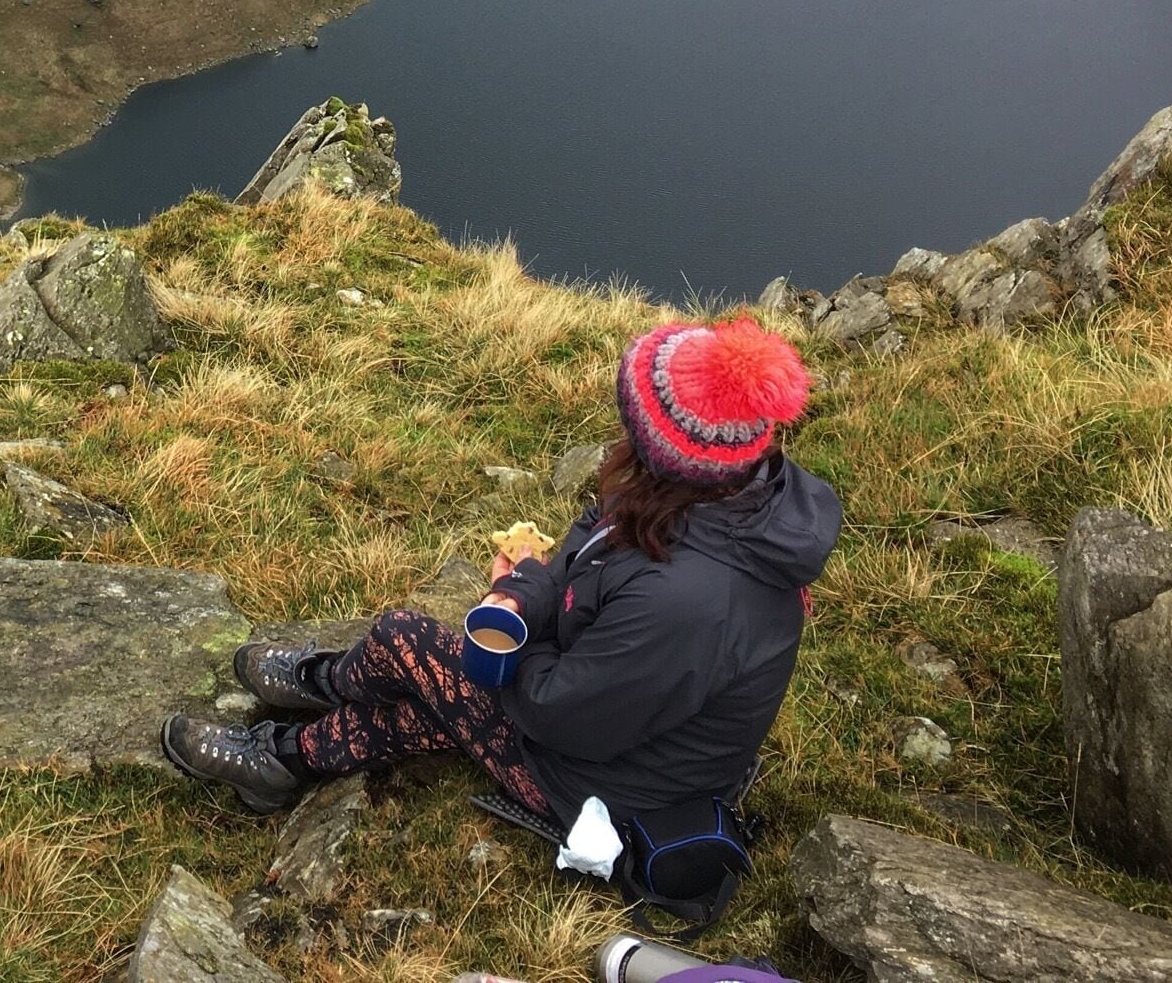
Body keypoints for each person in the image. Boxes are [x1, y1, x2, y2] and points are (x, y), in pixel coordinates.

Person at [160, 317, 841, 822]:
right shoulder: (708, 494)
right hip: (611, 718)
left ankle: (318, 697)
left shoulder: (693, 599)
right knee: (422, 706)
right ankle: (291, 749)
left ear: (665, 450)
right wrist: (523, 591)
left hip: (615, 789)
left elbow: (559, 715)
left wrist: (502, 618)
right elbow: (583, 564)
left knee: (406, 640)